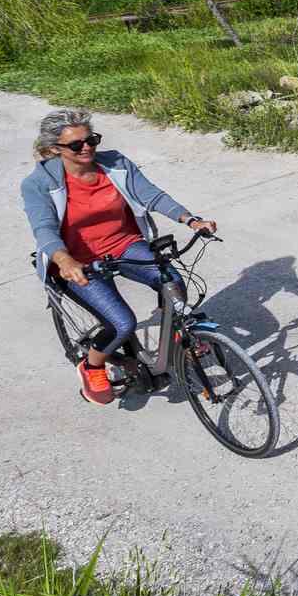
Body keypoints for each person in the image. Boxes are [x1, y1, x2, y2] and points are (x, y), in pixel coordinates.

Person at [20, 109, 217, 406]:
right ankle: (92, 365)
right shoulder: (38, 183)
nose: (86, 147)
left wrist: (191, 220)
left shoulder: (115, 164)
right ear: (54, 150)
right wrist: (65, 260)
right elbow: (44, 229)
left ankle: (178, 341)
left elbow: (153, 196)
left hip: (123, 245)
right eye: (76, 145)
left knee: (172, 280)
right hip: (77, 260)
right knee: (122, 323)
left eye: (91, 140)